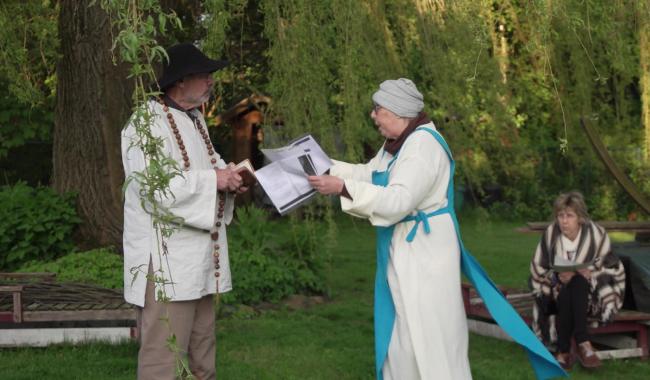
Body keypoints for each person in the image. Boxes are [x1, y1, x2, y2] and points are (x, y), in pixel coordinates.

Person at [308, 79, 566, 380]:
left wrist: (342, 188)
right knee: (403, 334)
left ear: (399, 112)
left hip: (426, 253)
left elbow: (398, 200)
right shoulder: (400, 143)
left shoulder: (422, 147)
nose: (373, 115)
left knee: (431, 335)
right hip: (409, 249)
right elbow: (371, 173)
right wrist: (327, 168)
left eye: (378, 109)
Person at [121, 42, 247, 379]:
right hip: (167, 264)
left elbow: (212, 168)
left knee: (202, 349)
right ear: (179, 81)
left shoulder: (195, 122)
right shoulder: (145, 123)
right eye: (204, 75)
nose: (210, 81)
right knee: (164, 355)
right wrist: (214, 180)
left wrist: (232, 180)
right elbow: (155, 189)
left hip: (199, 261)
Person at [529, 191, 625, 370]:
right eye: (560, 215)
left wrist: (590, 272)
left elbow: (612, 265)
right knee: (569, 285)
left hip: (592, 296)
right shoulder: (551, 234)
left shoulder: (596, 234)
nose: (564, 221)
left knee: (578, 282)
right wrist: (556, 276)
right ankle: (584, 343)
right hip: (556, 293)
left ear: (580, 217)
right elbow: (538, 267)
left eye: (569, 216)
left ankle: (563, 350)